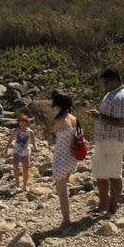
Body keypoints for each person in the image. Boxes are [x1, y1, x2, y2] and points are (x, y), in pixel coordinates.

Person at [89, 69, 124, 216]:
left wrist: (99, 117)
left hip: (114, 141)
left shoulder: (121, 97)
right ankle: (102, 206)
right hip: (104, 140)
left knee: (114, 174)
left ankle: (112, 208)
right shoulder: (111, 94)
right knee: (100, 173)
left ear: (114, 81)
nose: (104, 85)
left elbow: (122, 122)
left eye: (106, 82)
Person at [50, 91, 78, 228]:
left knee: (61, 191)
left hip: (61, 157)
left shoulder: (59, 120)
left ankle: (66, 220)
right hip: (71, 157)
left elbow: (53, 135)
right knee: (64, 188)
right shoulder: (74, 118)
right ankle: (67, 218)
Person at [5, 114, 37, 191]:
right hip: (17, 151)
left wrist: (36, 148)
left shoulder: (30, 132)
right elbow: (11, 140)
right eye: (21, 123)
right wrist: (6, 149)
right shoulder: (15, 131)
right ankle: (17, 182)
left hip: (26, 152)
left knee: (25, 170)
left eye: (24, 123)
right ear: (18, 123)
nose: (22, 125)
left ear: (27, 123)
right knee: (15, 167)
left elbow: (33, 142)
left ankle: (25, 185)